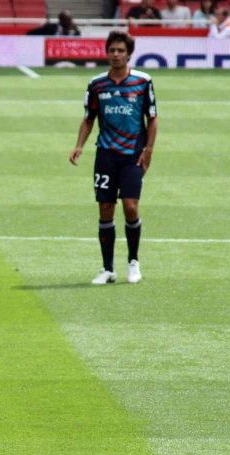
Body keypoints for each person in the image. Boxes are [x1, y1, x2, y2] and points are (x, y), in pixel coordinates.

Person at [69, 31, 157, 285]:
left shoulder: (143, 82)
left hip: (132, 155)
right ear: (106, 52)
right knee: (105, 209)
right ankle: (107, 269)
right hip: (105, 155)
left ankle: (133, 262)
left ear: (129, 54)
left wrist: (148, 150)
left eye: (120, 50)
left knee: (130, 206)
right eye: (112, 50)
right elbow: (89, 119)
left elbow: (152, 118)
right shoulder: (97, 84)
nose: (116, 55)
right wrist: (79, 146)